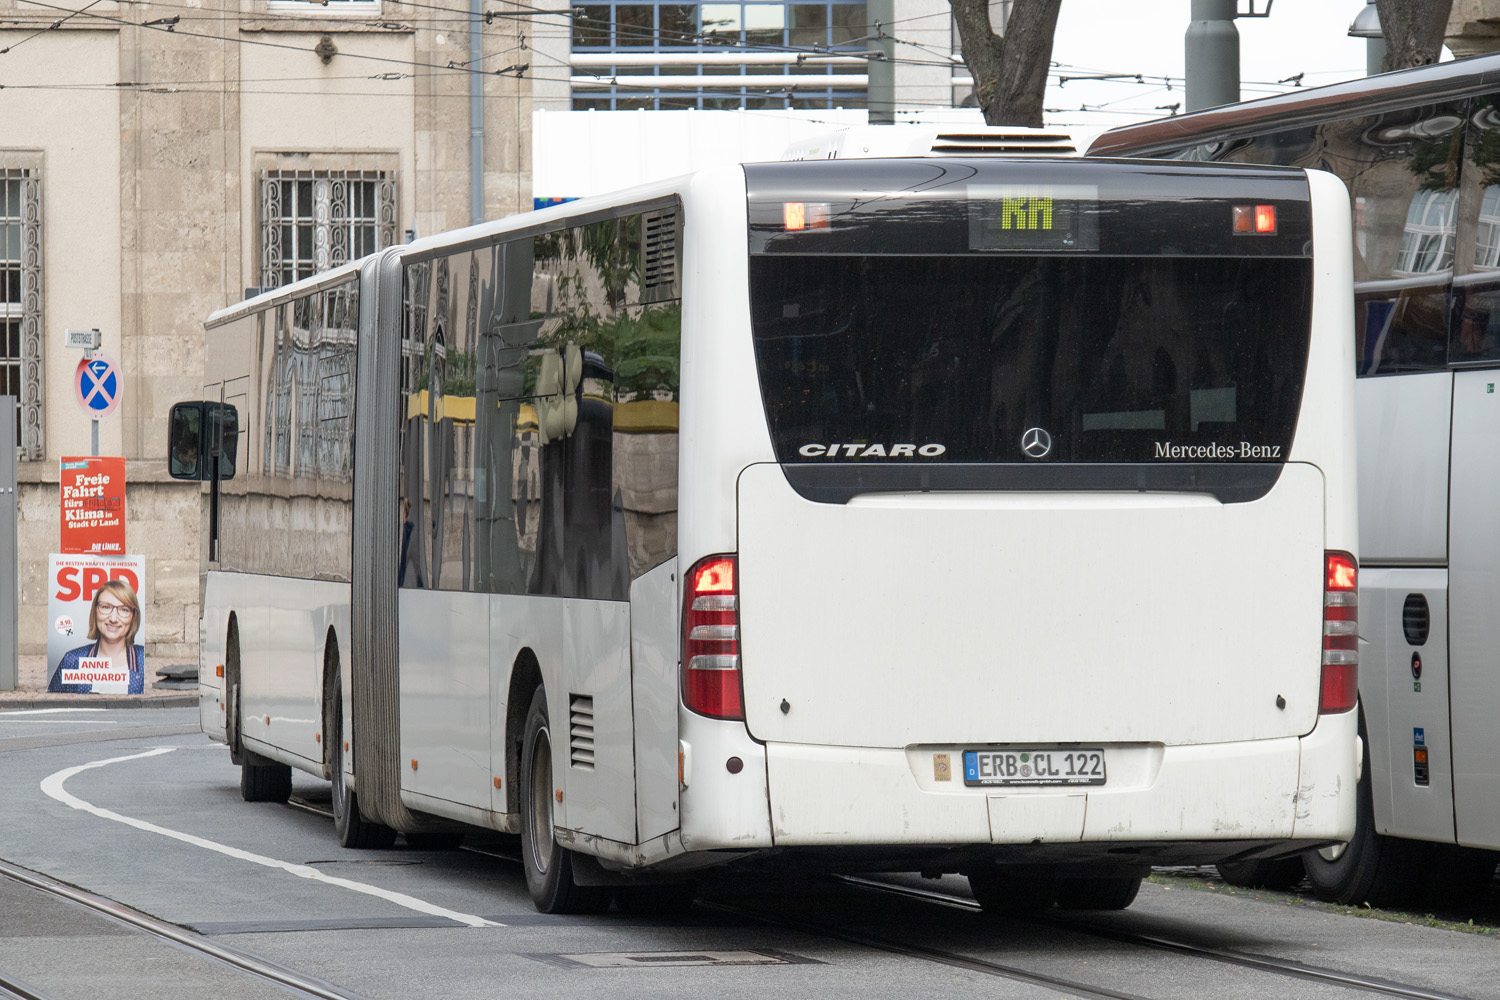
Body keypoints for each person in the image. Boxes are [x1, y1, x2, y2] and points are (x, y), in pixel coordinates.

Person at [50, 580, 146, 694]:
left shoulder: (143, 659)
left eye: (124, 609)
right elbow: (54, 705)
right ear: (95, 612)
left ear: (133, 617)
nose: (113, 618)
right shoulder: (72, 659)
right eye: (105, 607)